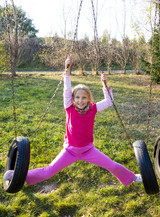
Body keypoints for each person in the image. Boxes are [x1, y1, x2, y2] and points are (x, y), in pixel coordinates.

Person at [4, 56, 142, 185]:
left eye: (83, 98)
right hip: (69, 151)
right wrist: (67, 70)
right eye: (77, 97)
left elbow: (109, 101)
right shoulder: (69, 108)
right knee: (49, 171)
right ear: (72, 99)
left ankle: (133, 177)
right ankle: (17, 176)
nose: (80, 101)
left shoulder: (93, 108)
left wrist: (105, 84)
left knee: (112, 165)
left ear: (88, 99)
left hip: (88, 150)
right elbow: (67, 89)